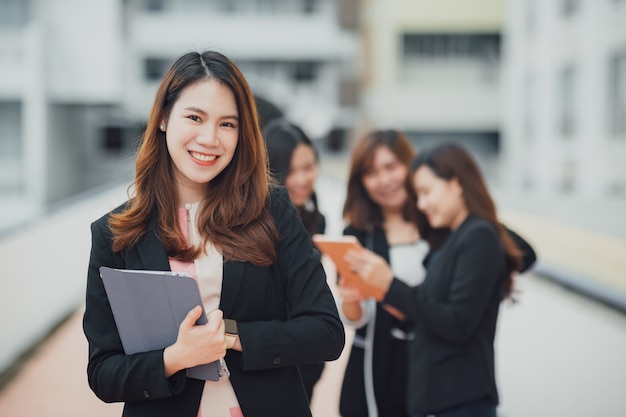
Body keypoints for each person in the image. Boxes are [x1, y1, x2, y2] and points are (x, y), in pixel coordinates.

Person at [82, 50, 345, 417]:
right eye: (194, 117)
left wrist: (230, 337)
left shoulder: (272, 210)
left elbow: (326, 332)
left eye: (227, 124)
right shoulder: (115, 233)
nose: (210, 138)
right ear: (162, 118)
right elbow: (103, 373)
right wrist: (175, 358)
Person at [345, 142, 526, 417]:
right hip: (443, 398)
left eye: (427, 192)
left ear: (457, 183)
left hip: (462, 397)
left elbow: (458, 322)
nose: (422, 204)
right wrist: (398, 306)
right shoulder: (451, 240)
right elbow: (436, 310)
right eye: (418, 195)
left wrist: (391, 285)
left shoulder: (479, 235)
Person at [337, 129, 438, 417]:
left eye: (391, 167)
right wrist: (350, 299)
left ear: (411, 166)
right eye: (371, 172)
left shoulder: (438, 223)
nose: (384, 181)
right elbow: (354, 320)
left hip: (429, 360)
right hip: (375, 364)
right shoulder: (357, 235)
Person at [264, 118, 326, 402]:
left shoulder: (316, 219)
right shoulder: (255, 226)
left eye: (309, 167)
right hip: (265, 357)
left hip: (305, 358)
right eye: (291, 170)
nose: (303, 179)